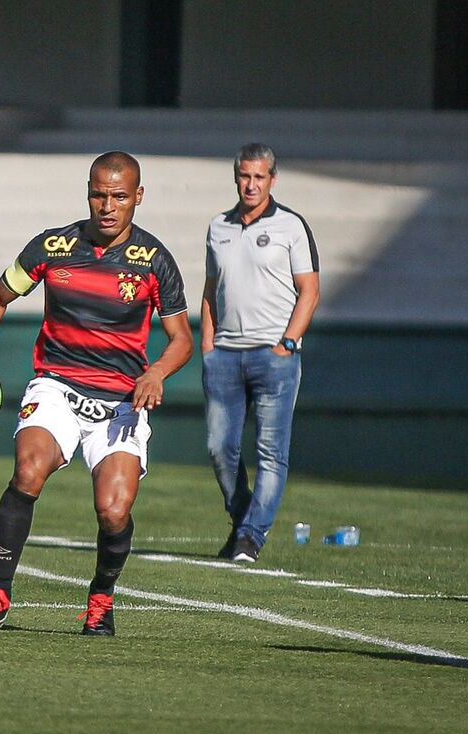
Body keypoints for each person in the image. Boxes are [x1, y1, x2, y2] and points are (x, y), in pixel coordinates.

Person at [0, 152, 192, 636]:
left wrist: (155, 375)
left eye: (120, 196)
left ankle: (101, 600)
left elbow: (182, 340)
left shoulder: (154, 260)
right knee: (28, 470)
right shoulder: (53, 245)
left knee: (114, 510)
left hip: (121, 403)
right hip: (57, 386)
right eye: (99, 194)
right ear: (87, 192)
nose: (108, 206)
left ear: (138, 197)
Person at [200, 143, 319, 564]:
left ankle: (251, 537)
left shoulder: (290, 226)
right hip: (225, 355)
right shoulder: (218, 226)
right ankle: (241, 520)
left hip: (274, 355)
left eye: (259, 177)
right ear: (236, 177)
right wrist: (208, 343)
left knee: (271, 452)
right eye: (244, 176)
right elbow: (211, 287)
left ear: (272, 179)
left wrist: (288, 342)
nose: (251, 184)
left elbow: (310, 289)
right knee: (219, 447)